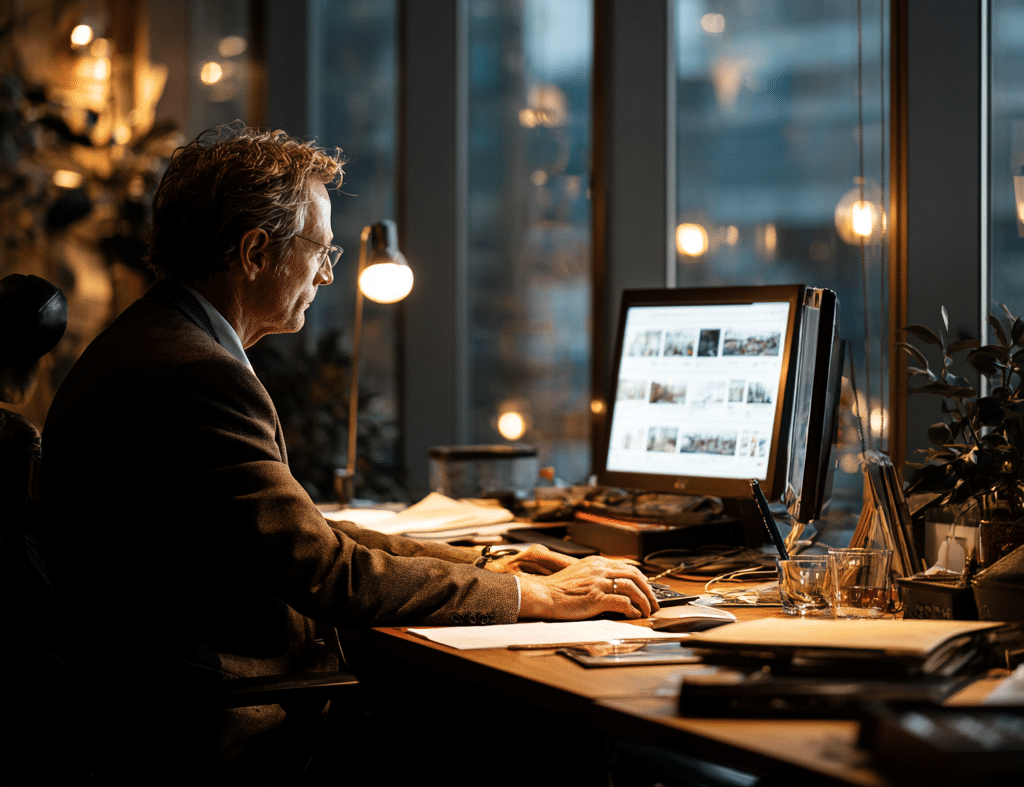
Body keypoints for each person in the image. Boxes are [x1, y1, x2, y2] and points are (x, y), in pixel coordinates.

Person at [42, 126, 657, 779]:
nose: (330, 274)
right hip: (215, 723)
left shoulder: (154, 341)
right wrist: (539, 599)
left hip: (154, 697)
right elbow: (325, 571)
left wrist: (492, 561)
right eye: (321, 252)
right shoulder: (195, 373)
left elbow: (305, 535)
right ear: (255, 251)